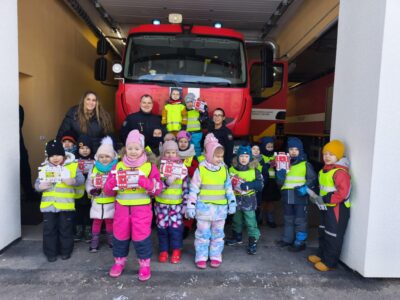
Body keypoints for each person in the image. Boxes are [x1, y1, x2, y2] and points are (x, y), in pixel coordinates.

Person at [103, 130, 162, 281]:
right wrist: (111, 183)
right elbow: (108, 191)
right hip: (122, 209)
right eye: (130, 148)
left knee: (141, 237)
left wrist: (147, 183)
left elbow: (158, 189)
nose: (133, 152)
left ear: (142, 149)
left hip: (141, 209)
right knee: (120, 236)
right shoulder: (118, 166)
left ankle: (144, 265)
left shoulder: (149, 167)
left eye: (137, 148)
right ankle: (119, 262)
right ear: (125, 149)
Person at [186, 133, 236, 269]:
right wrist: (191, 206)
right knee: (202, 234)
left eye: (221, 156)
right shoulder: (201, 169)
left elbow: (228, 188)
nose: (220, 159)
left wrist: (232, 202)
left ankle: (215, 255)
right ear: (208, 155)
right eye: (217, 156)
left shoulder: (224, 170)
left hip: (220, 210)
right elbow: (194, 188)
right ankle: (201, 256)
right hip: (204, 209)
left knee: (218, 235)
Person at [34, 140, 84, 262]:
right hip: (48, 205)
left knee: (65, 229)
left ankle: (65, 251)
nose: (55, 158)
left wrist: (71, 181)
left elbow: (81, 179)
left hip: (65, 205)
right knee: (49, 230)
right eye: (51, 155)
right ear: (48, 157)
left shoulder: (72, 166)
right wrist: (40, 186)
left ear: (63, 154)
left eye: (58, 154)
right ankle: (50, 253)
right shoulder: (44, 168)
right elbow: (36, 184)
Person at [308, 140, 351, 272]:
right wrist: (313, 192)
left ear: (338, 156)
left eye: (331, 154)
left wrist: (324, 198)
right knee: (323, 231)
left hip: (337, 209)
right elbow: (323, 188)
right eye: (325, 153)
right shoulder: (324, 170)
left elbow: (343, 193)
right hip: (325, 206)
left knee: (333, 235)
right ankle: (321, 255)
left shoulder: (340, 173)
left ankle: (330, 262)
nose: (327, 156)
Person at [275, 137, 317, 252]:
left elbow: (312, 179)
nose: (293, 151)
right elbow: (279, 182)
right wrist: (281, 173)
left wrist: (305, 187)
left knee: (300, 220)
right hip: (287, 196)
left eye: (296, 149)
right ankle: (287, 239)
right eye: (291, 149)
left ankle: (300, 242)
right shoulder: (283, 164)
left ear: (301, 150)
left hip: (300, 196)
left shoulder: (305, 164)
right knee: (288, 219)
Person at [155, 140, 189, 264]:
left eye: (173, 152)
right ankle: (163, 250)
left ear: (177, 153)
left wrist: (186, 204)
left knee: (176, 229)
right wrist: (166, 182)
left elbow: (186, 188)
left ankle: (176, 250)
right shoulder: (158, 167)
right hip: (161, 205)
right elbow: (155, 187)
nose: (170, 155)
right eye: (167, 152)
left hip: (177, 205)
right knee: (162, 229)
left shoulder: (182, 168)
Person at [226, 145, 264, 254]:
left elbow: (260, 184)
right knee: (236, 219)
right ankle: (237, 237)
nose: (244, 159)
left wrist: (249, 185)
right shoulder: (232, 169)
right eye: (241, 156)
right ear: (237, 157)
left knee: (250, 220)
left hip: (249, 199)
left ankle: (253, 240)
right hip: (236, 198)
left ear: (250, 157)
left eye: (246, 156)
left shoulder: (254, 170)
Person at [86, 136, 118, 252]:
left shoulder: (116, 168)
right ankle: (94, 241)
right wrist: (91, 190)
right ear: (97, 157)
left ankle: (111, 240)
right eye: (101, 157)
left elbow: (119, 183)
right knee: (96, 221)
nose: (104, 159)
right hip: (97, 200)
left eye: (107, 156)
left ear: (113, 156)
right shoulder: (94, 168)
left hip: (111, 200)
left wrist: (114, 190)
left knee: (110, 221)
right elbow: (89, 182)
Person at [177, 130, 199, 239]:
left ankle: (187, 226)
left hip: (189, 186)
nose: (183, 144)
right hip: (176, 186)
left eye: (185, 141)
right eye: (181, 141)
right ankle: (177, 225)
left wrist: (186, 168)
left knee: (188, 206)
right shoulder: (173, 154)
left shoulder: (192, 156)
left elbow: (196, 172)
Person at [74, 135, 94, 243]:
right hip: (77, 191)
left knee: (88, 210)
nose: (85, 150)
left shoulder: (95, 160)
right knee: (77, 210)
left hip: (89, 191)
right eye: (82, 148)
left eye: (87, 148)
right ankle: (78, 230)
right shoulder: (73, 161)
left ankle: (87, 230)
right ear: (78, 149)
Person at [259, 136, 280, 227]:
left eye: (271, 147)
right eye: (268, 147)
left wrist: (277, 166)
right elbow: (256, 168)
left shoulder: (276, 156)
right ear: (263, 146)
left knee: (271, 201)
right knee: (262, 201)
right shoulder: (259, 157)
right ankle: (259, 218)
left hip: (272, 182)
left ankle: (270, 218)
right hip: (263, 181)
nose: (270, 149)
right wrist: (266, 166)